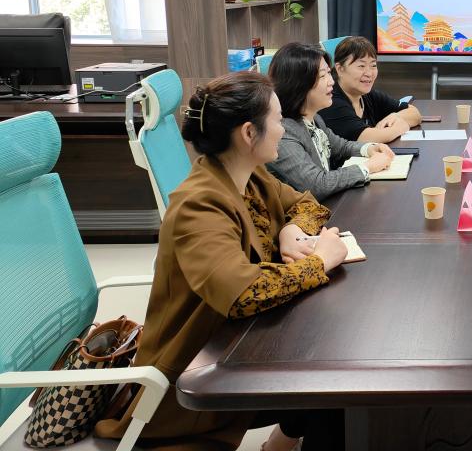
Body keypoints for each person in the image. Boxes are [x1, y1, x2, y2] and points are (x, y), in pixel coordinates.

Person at [95, 72, 346, 451]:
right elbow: (243, 293)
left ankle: (280, 443)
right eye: (278, 121)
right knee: (331, 385)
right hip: (193, 378)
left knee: (329, 373)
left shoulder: (250, 176)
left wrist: (290, 230)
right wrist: (320, 262)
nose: (283, 130)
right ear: (249, 133)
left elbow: (307, 205)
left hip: (237, 347)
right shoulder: (198, 206)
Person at [268, 42, 394, 198]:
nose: (331, 81)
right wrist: (367, 167)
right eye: (322, 76)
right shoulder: (283, 132)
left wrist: (369, 149)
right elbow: (316, 185)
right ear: (297, 84)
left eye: (328, 73)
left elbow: (341, 147)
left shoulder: (314, 118)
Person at [320, 36, 423, 143]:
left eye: (373, 65)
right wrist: (401, 126)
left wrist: (395, 116)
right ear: (340, 69)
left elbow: (414, 113)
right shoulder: (331, 101)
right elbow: (368, 138)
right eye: (361, 66)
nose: (369, 73)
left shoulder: (367, 95)